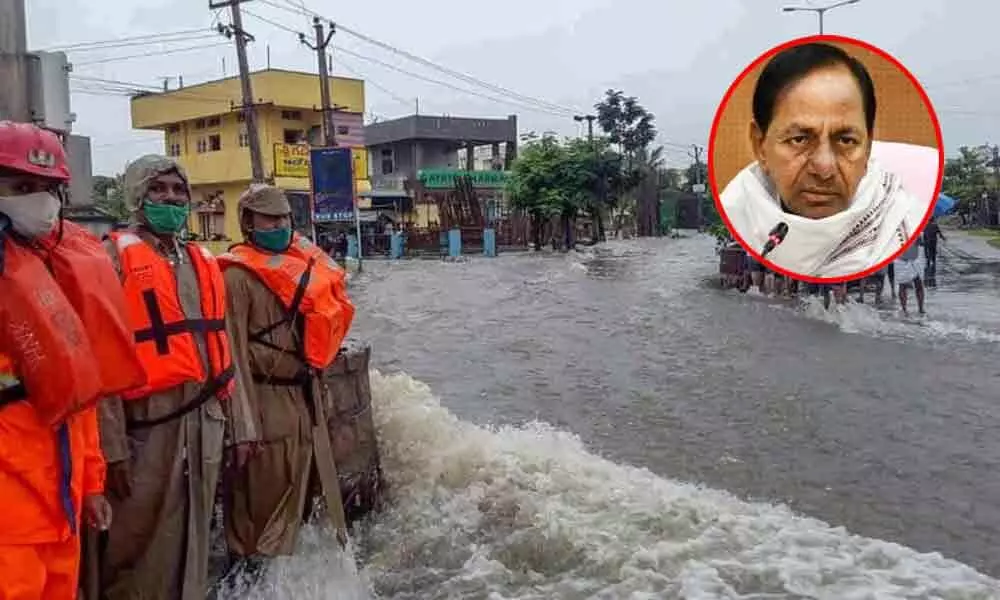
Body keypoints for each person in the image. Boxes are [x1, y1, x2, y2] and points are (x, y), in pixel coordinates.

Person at [98, 154, 260, 599]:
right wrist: (109, 449)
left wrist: (240, 427)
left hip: (206, 421)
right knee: (136, 543)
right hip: (144, 429)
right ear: (137, 196)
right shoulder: (109, 260)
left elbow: (225, 350)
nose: (171, 198)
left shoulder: (202, 262)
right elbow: (99, 360)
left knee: (196, 533)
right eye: (158, 189)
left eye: (177, 190)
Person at [0, 121, 136, 598]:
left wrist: (93, 483)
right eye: (20, 187)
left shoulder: (59, 269)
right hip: (8, 520)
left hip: (61, 509)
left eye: (47, 189)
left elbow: (79, 397)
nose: (38, 201)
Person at [216, 185, 355, 581]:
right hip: (263, 402)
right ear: (248, 223)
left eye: (284, 219)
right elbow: (233, 356)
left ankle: (287, 584)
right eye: (269, 219)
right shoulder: (236, 278)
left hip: (302, 398)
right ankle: (245, 583)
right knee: (257, 508)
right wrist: (241, 425)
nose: (279, 226)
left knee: (299, 501)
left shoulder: (298, 266)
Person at [720, 42, 927, 278]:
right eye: (799, 139)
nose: (824, 168)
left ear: (868, 148)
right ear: (760, 146)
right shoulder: (739, 214)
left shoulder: (899, 223)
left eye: (846, 141)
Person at [894, 239, 926, 316]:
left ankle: (921, 308)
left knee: (919, 284)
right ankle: (904, 309)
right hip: (901, 260)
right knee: (903, 285)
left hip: (915, 259)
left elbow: (921, 242)